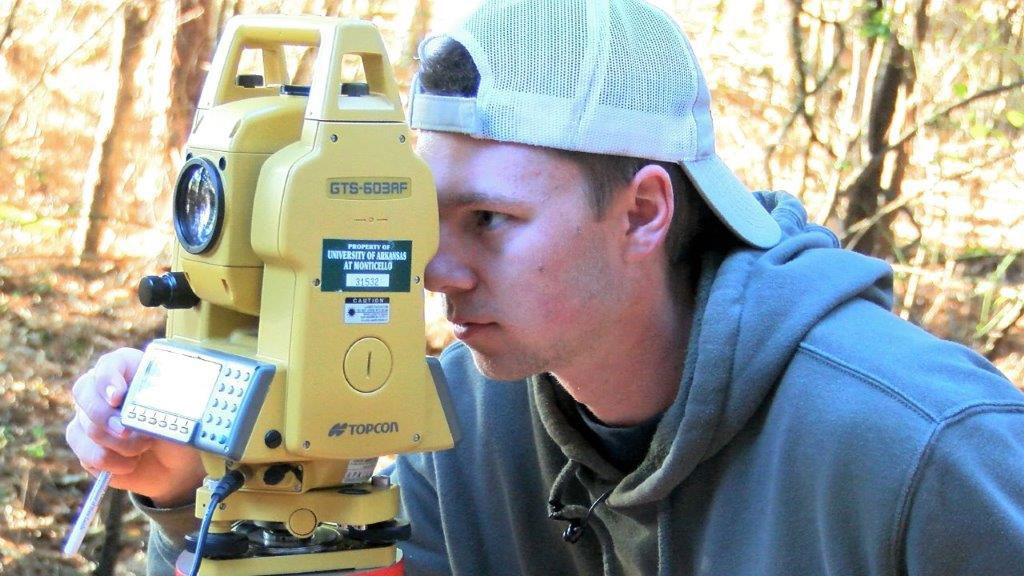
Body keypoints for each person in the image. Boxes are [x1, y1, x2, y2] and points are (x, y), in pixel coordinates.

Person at [66, 1, 1024, 575]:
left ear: (645, 212)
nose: (438, 272)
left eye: (490, 221)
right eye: (424, 218)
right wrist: (199, 501)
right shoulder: (454, 427)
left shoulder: (927, 451)